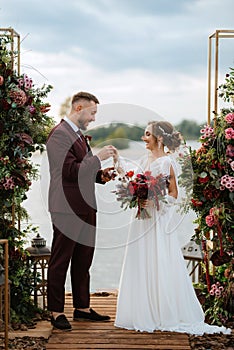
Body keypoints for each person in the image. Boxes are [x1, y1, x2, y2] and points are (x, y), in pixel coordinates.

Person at [114, 121, 231, 335]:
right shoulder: (145, 159)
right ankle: (141, 308)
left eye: (147, 134)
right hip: (140, 220)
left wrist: (155, 202)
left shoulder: (166, 162)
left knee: (158, 259)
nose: (143, 138)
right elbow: (131, 179)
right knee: (140, 260)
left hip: (156, 219)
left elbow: (174, 193)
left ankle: (161, 311)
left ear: (159, 138)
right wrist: (125, 177)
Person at [46, 91, 117, 331]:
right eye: (92, 112)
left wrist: (100, 175)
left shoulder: (77, 135)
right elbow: (68, 171)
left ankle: (82, 308)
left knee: (84, 259)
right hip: (66, 208)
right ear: (78, 108)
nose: (94, 118)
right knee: (60, 260)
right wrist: (97, 158)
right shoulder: (58, 135)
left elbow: (82, 170)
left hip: (86, 205)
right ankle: (56, 312)